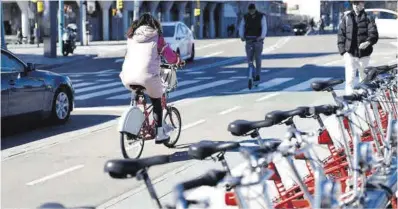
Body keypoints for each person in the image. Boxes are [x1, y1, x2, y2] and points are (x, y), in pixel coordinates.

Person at [119, 13, 184, 144]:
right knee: (157, 102)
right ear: (153, 24)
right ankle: (160, 133)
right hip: (147, 76)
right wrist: (178, 60)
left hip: (127, 75)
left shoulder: (131, 37)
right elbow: (169, 55)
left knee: (136, 92)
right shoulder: (156, 37)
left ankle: (133, 119)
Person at [337, 0, 378, 95]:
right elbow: (341, 35)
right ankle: (349, 99)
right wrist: (343, 52)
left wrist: (368, 42)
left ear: (362, 4)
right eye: (353, 4)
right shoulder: (346, 18)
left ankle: (364, 102)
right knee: (349, 79)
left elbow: (374, 34)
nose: (355, 5)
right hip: (350, 53)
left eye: (357, 3)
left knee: (363, 79)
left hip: (364, 54)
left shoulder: (369, 18)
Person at [239, 3, 267, 82]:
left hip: (258, 40)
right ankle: (252, 74)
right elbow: (241, 26)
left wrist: (261, 37)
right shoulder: (245, 17)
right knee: (249, 59)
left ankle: (257, 74)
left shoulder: (261, 16)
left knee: (257, 58)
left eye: (252, 10)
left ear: (255, 9)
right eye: (250, 10)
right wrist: (242, 36)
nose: (251, 11)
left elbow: (264, 27)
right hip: (248, 39)